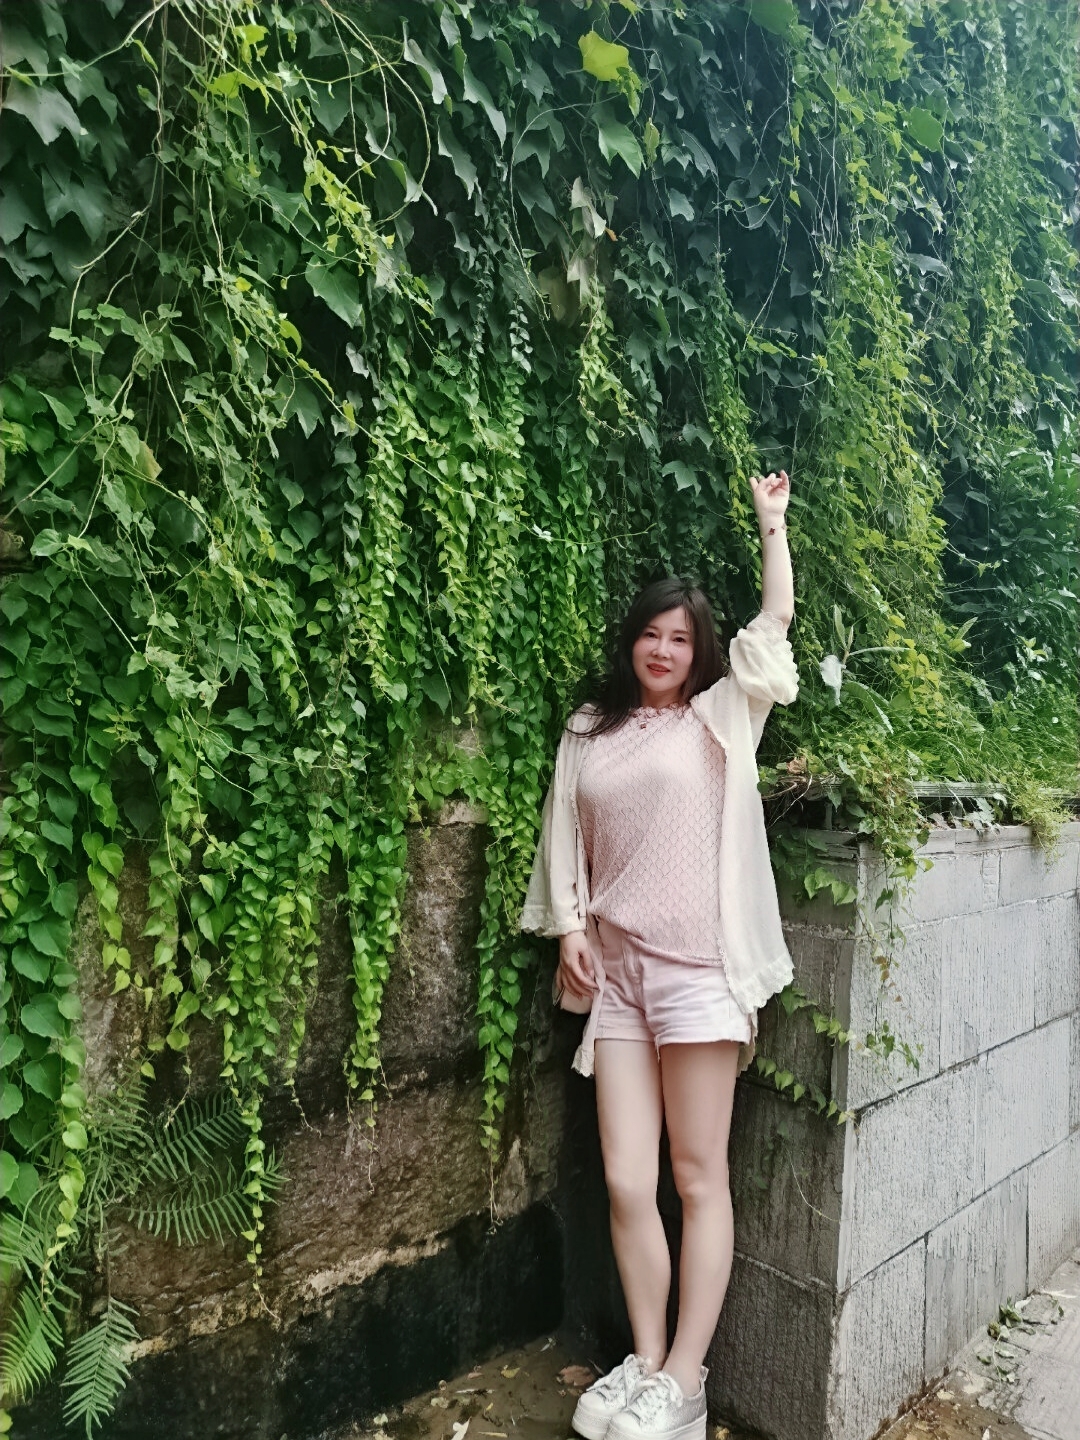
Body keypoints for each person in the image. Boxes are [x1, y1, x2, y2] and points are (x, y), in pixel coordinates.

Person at [520, 472, 798, 1440]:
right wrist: (570, 928)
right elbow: (563, 835)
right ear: (630, 640)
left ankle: (685, 1379)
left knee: (696, 1176)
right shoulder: (589, 730)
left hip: (697, 976)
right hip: (619, 980)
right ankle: (644, 1361)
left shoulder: (720, 717)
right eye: (651, 634)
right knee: (626, 1181)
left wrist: (771, 525)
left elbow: (775, 623)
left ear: (698, 650)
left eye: (681, 639)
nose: (664, 650)